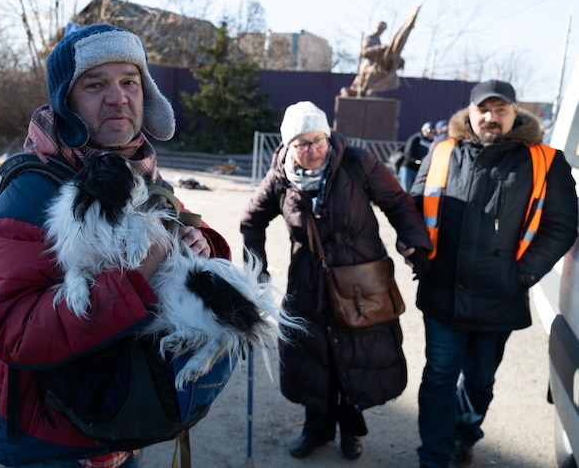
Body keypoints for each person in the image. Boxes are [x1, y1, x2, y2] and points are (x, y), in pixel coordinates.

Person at [0, 23, 230, 468]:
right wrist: (136, 278)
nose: (118, 97)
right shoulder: (33, 189)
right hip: (51, 442)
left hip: (117, 421)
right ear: (67, 102)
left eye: (129, 82)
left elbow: (184, 240)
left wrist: (199, 242)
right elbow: (8, 332)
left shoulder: (145, 173)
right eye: (96, 84)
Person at [240, 101, 432, 462]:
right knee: (313, 355)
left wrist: (415, 242)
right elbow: (251, 220)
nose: (312, 150)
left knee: (358, 351)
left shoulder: (358, 162)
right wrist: (258, 269)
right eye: (302, 143)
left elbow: (397, 202)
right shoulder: (281, 176)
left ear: (328, 136)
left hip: (361, 277)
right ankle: (316, 427)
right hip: (307, 282)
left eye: (318, 140)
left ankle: (350, 426)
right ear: (287, 146)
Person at [409, 79, 578, 468]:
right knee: (438, 376)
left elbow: (562, 226)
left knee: (480, 380)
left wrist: (521, 275)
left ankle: (464, 434)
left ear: (514, 113)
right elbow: (416, 207)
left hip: (500, 296)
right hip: (442, 290)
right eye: (483, 109)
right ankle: (434, 455)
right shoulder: (442, 151)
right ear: (469, 112)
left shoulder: (545, 161)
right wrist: (414, 248)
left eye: (500, 110)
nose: (490, 117)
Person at [398, 122, 436, 191]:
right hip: (408, 168)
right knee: (406, 190)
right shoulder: (416, 138)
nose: (431, 134)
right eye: (429, 131)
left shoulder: (432, 142)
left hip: (419, 170)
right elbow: (408, 153)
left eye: (433, 132)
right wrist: (419, 160)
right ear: (423, 130)